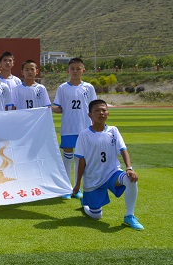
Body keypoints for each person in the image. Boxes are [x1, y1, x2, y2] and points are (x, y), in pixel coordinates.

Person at [72, 99, 144, 230]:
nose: (101, 113)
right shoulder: (84, 135)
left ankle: (129, 216)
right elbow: (80, 161)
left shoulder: (113, 130)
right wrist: (77, 184)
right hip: (93, 178)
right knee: (96, 215)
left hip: (112, 173)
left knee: (131, 179)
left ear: (108, 113)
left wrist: (129, 168)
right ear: (90, 115)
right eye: (97, 110)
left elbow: (123, 149)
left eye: (103, 110)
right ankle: (85, 204)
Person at [52, 58, 98, 199]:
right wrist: (48, 108)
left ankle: (77, 188)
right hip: (68, 127)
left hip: (84, 128)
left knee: (80, 159)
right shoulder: (62, 88)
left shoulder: (89, 88)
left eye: (78, 68)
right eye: (72, 68)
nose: (75, 71)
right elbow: (59, 108)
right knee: (67, 157)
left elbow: (93, 108)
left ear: (83, 70)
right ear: (68, 70)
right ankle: (66, 188)